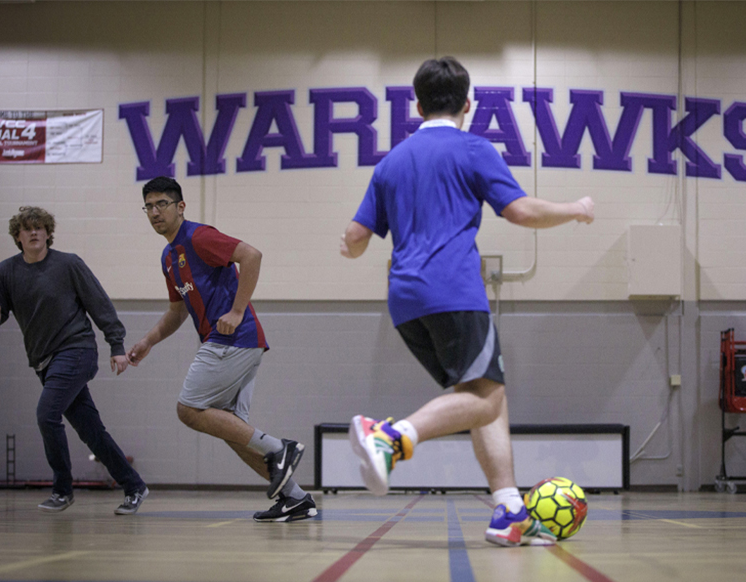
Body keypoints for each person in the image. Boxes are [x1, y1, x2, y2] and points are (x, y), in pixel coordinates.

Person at [340, 57, 595, 547]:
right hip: (454, 290)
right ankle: (391, 438)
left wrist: (349, 246)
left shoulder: (390, 162)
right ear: (468, 105)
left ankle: (509, 510)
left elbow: (354, 237)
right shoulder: (474, 148)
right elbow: (520, 211)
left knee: (483, 397)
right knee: (487, 396)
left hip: (405, 301)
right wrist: (574, 210)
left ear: (416, 105)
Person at [127, 176, 315, 522]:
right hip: (239, 342)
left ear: (180, 207)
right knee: (231, 431)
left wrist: (238, 309)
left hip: (233, 337)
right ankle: (297, 499)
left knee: (189, 410)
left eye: (162, 204)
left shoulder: (198, 236)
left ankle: (280, 448)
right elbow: (176, 312)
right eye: (149, 206)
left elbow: (252, 255)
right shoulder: (169, 256)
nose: (155, 212)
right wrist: (148, 341)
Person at [0, 206, 149, 515]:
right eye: (28, 228)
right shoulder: (6, 271)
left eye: (40, 227)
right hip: (44, 361)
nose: (35, 232)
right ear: (18, 236)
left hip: (77, 350)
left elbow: (99, 304)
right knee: (91, 431)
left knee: (46, 414)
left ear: (49, 233)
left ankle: (62, 490)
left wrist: (116, 345)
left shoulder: (68, 264)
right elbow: (0, 311)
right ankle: (134, 486)